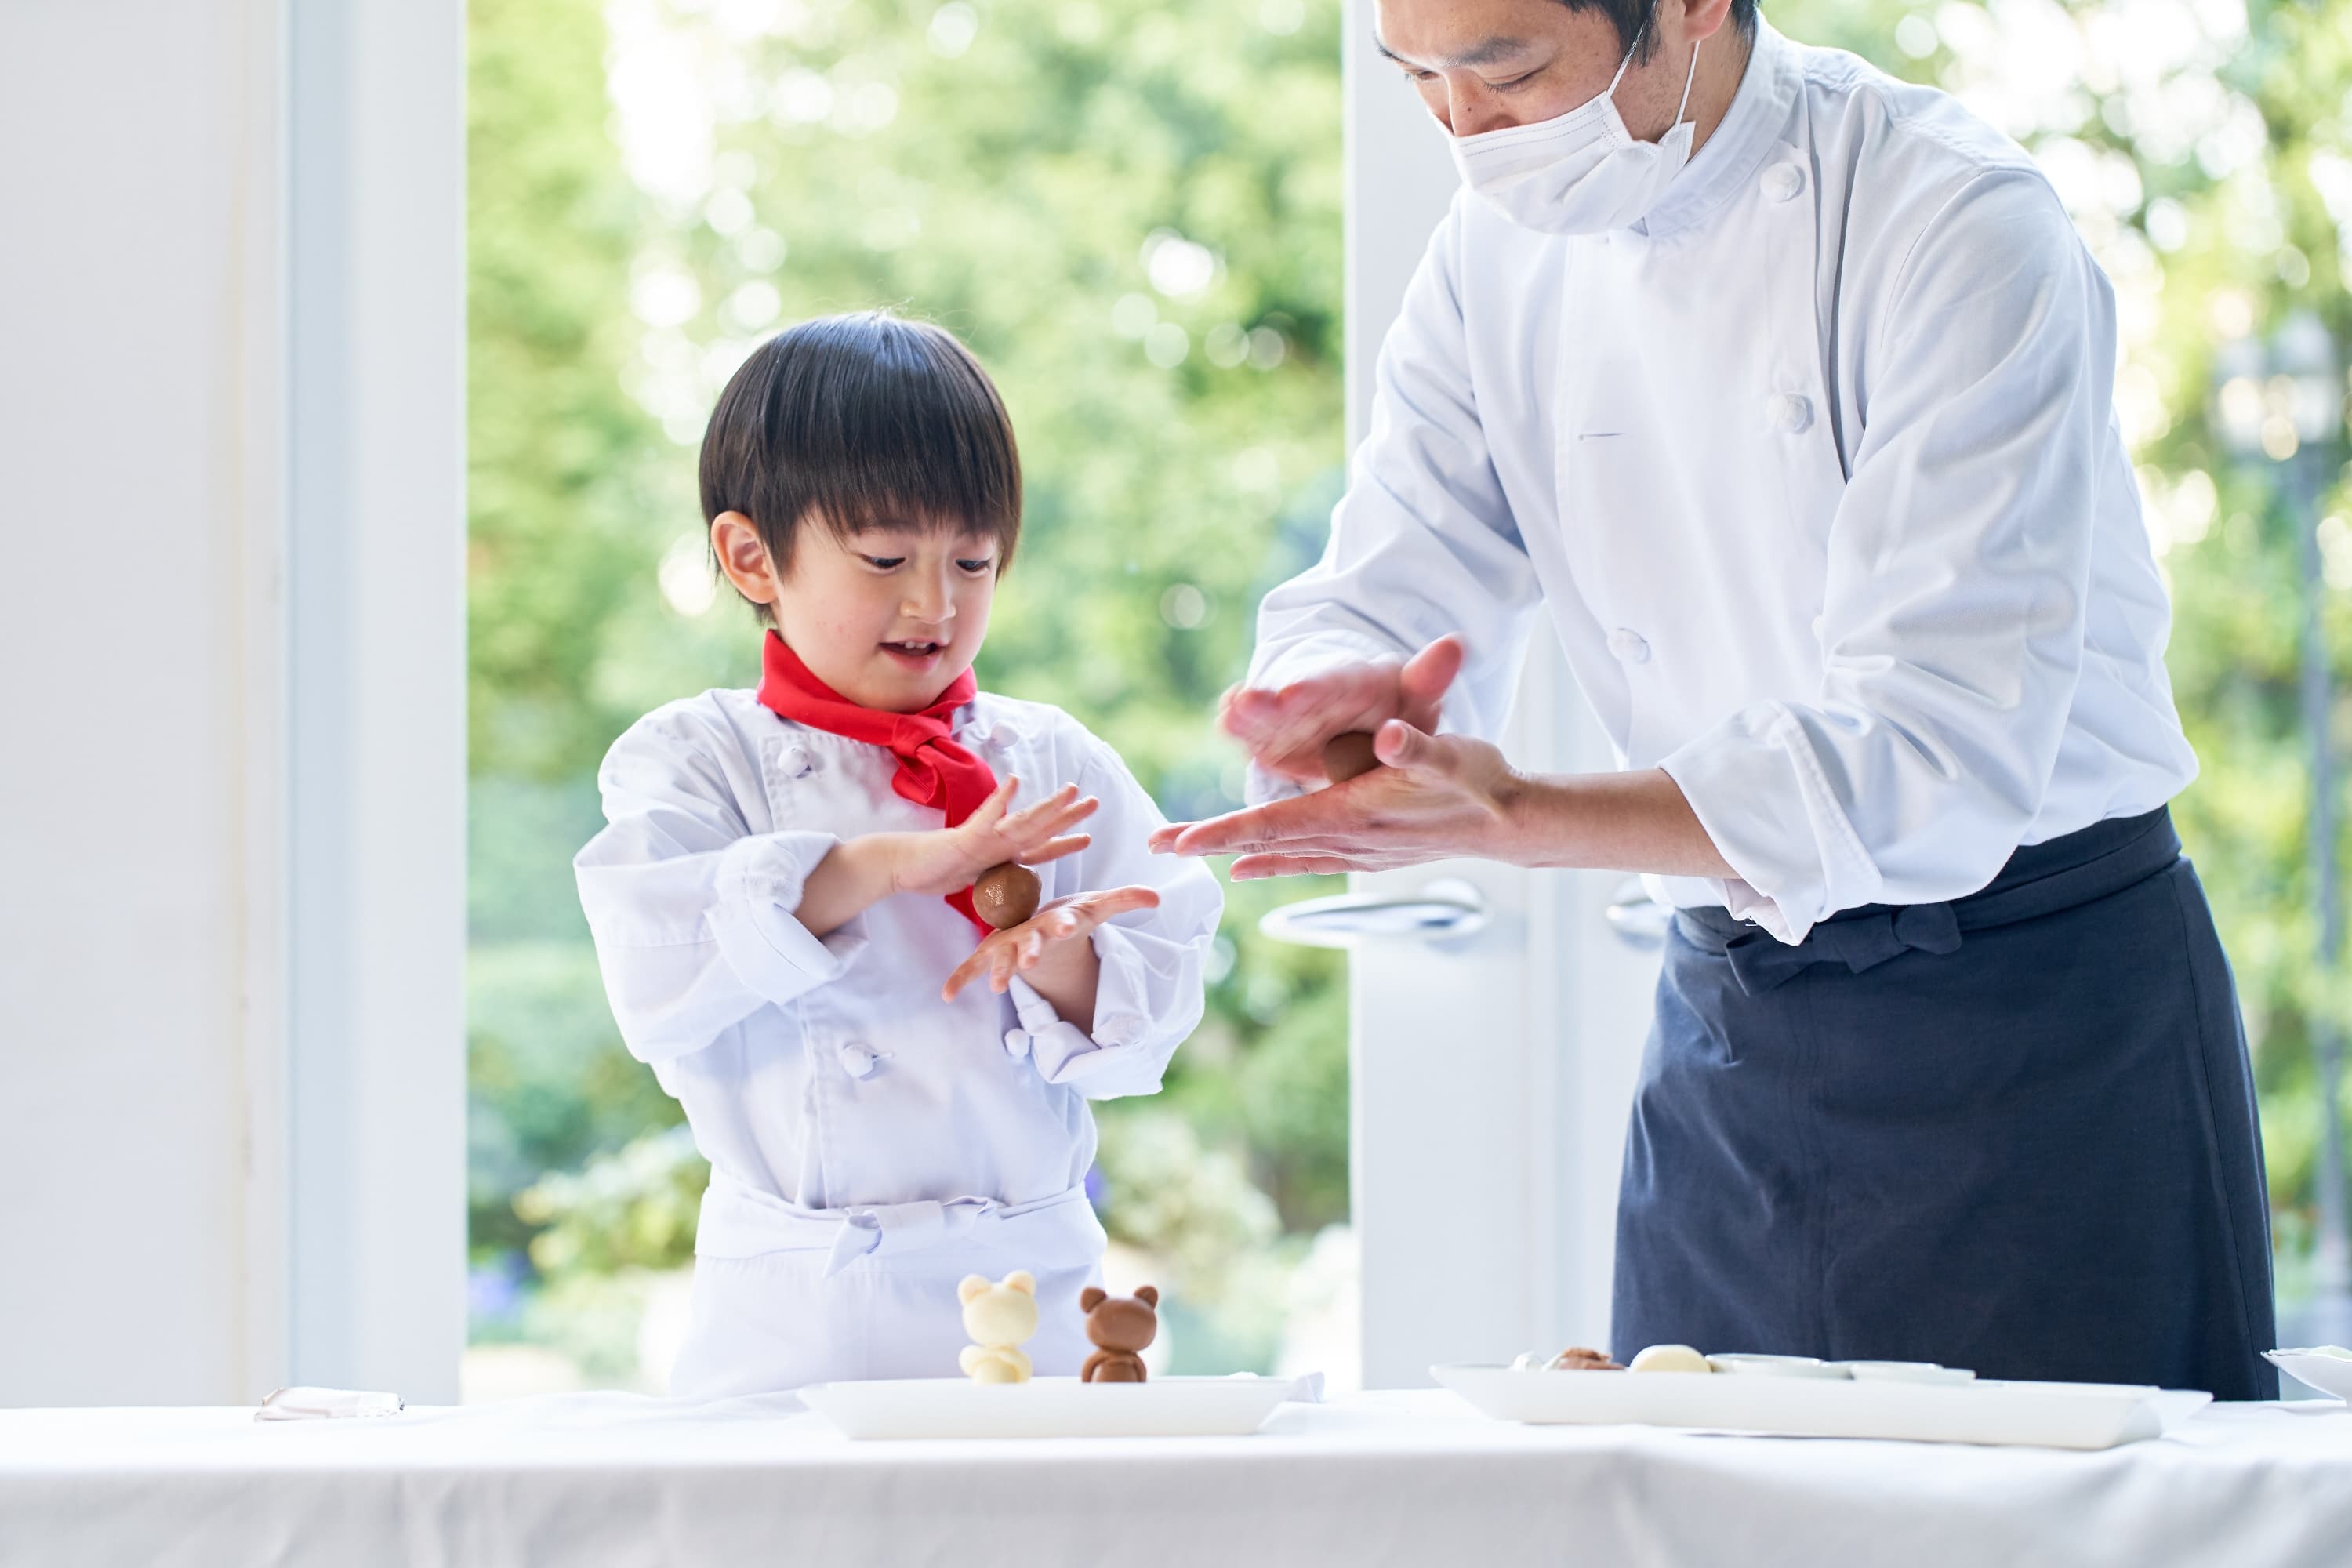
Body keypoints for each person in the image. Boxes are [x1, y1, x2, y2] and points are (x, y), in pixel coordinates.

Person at [1155, 0, 2276, 1396]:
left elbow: (1940, 749)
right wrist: (1331, 705)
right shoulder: (1490, 258)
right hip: (1733, 1033)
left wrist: (1517, 816)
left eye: (1504, 72)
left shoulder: (1957, 223)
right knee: (1693, 1516)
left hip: (2041, 1026)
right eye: (1415, 82)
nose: (1460, 131)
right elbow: (1393, 572)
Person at [576, 313, 1221, 1396]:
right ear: (752, 559)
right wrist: (891, 866)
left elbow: (1154, 1017)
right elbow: (661, 977)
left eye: (973, 560)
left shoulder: (1051, 756)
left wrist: (1055, 957)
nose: (937, 602)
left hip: (1037, 1305)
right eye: (885, 559)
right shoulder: (695, 758)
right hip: (804, 1325)